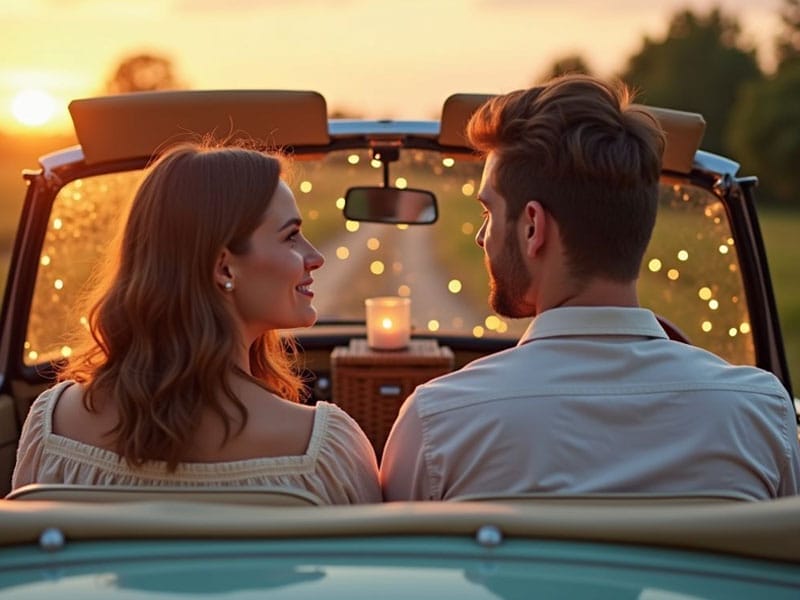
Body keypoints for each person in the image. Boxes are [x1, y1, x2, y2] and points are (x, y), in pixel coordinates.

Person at [380, 74, 800, 501]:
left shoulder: (441, 424)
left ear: (532, 228)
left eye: (488, 211)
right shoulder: (761, 416)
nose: (482, 236)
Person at [12, 142, 381, 504]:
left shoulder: (51, 428)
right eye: (290, 236)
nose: (314, 257)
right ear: (224, 268)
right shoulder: (326, 451)